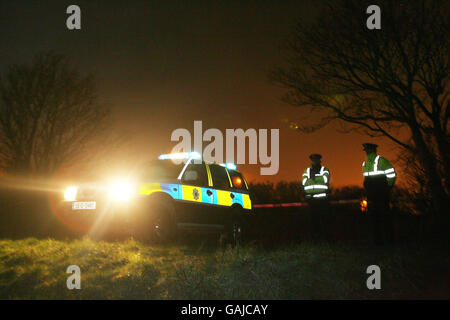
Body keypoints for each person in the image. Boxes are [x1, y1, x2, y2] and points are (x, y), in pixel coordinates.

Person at [362, 143, 396, 245]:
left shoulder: (381, 160)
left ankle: (387, 241)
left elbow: (391, 174)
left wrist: (388, 187)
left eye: (368, 150)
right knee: (374, 218)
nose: (367, 151)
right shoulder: (365, 163)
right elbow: (366, 179)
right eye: (366, 150)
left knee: (383, 217)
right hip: (373, 194)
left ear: (373, 150)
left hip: (380, 193)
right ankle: (378, 241)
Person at [302, 154, 330, 241]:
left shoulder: (324, 169)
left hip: (322, 199)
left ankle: (324, 239)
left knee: (323, 221)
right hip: (311, 200)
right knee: (313, 222)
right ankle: (315, 240)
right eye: (313, 160)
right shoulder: (306, 171)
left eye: (316, 159)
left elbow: (325, 179)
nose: (314, 161)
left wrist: (312, 179)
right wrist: (317, 178)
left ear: (319, 160)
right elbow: (304, 182)